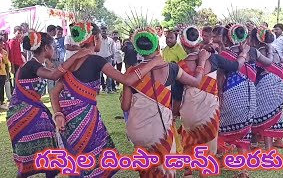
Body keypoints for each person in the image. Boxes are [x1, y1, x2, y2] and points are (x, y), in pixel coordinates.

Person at [50, 22, 164, 178]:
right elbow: (127, 80)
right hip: (86, 121)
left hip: (67, 122)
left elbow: (54, 92)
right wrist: (154, 62)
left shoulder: (72, 61)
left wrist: (58, 114)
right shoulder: (96, 60)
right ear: (95, 38)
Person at [121, 26, 211, 177]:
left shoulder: (131, 73)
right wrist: (201, 61)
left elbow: (125, 106)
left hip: (136, 130)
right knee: (166, 169)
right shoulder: (172, 68)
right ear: (157, 44)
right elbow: (196, 82)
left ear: (137, 48)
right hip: (160, 131)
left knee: (147, 168)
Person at [6, 31, 92, 178]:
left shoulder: (36, 65)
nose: (54, 49)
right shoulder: (32, 65)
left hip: (32, 112)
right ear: (46, 48)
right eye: (52, 46)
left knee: (49, 153)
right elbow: (54, 75)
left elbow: (59, 72)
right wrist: (77, 56)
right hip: (23, 114)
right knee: (36, 156)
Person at [172, 26, 250, 177]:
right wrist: (244, 53)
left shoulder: (178, 66)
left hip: (188, 113)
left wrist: (174, 114)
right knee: (209, 147)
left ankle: (188, 171)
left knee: (189, 137)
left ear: (182, 43)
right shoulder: (213, 59)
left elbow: (176, 97)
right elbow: (235, 66)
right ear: (199, 40)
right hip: (210, 113)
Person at [218, 23, 272, 178]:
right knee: (245, 132)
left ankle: (225, 159)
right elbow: (269, 63)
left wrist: (220, 94)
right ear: (245, 36)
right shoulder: (254, 52)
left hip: (231, 95)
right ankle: (243, 170)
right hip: (250, 96)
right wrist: (269, 47)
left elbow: (220, 77)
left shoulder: (225, 55)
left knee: (225, 128)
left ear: (229, 37)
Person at [250, 27, 283, 150]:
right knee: (275, 113)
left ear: (256, 39)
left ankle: (264, 146)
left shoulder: (257, 51)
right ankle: (276, 142)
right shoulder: (274, 49)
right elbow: (282, 61)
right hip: (280, 83)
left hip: (265, 84)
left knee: (263, 116)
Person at [97, 25, 116, 93]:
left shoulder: (110, 40)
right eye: (102, 30)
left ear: (107, 31)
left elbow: (113, 50)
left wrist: (113, 59)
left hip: (108, 58)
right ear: (100, 31)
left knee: (109, 75)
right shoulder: (97, 39)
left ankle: (109, 89)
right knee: (98, 75)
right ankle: (97, 90)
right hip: (99, 58)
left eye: (105, 30)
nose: (104, 32)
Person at [46, 25, 57, 93]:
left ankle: (55, 94)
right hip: (50, 61)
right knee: (50, 80)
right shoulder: (46, 40)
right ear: (52, 31)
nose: (56, 32)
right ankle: (52, 95)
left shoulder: (52, 39)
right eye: (55, 31)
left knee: (56, 78)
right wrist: (48, 62)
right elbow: (45, 52)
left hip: (55, 61)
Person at [0, 36, 9, 110]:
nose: (1, 44)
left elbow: (6, 63)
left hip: (2, 73)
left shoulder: (4, 52)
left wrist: (7, 73)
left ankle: (2, 102)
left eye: (1, 43)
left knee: (1, 88)